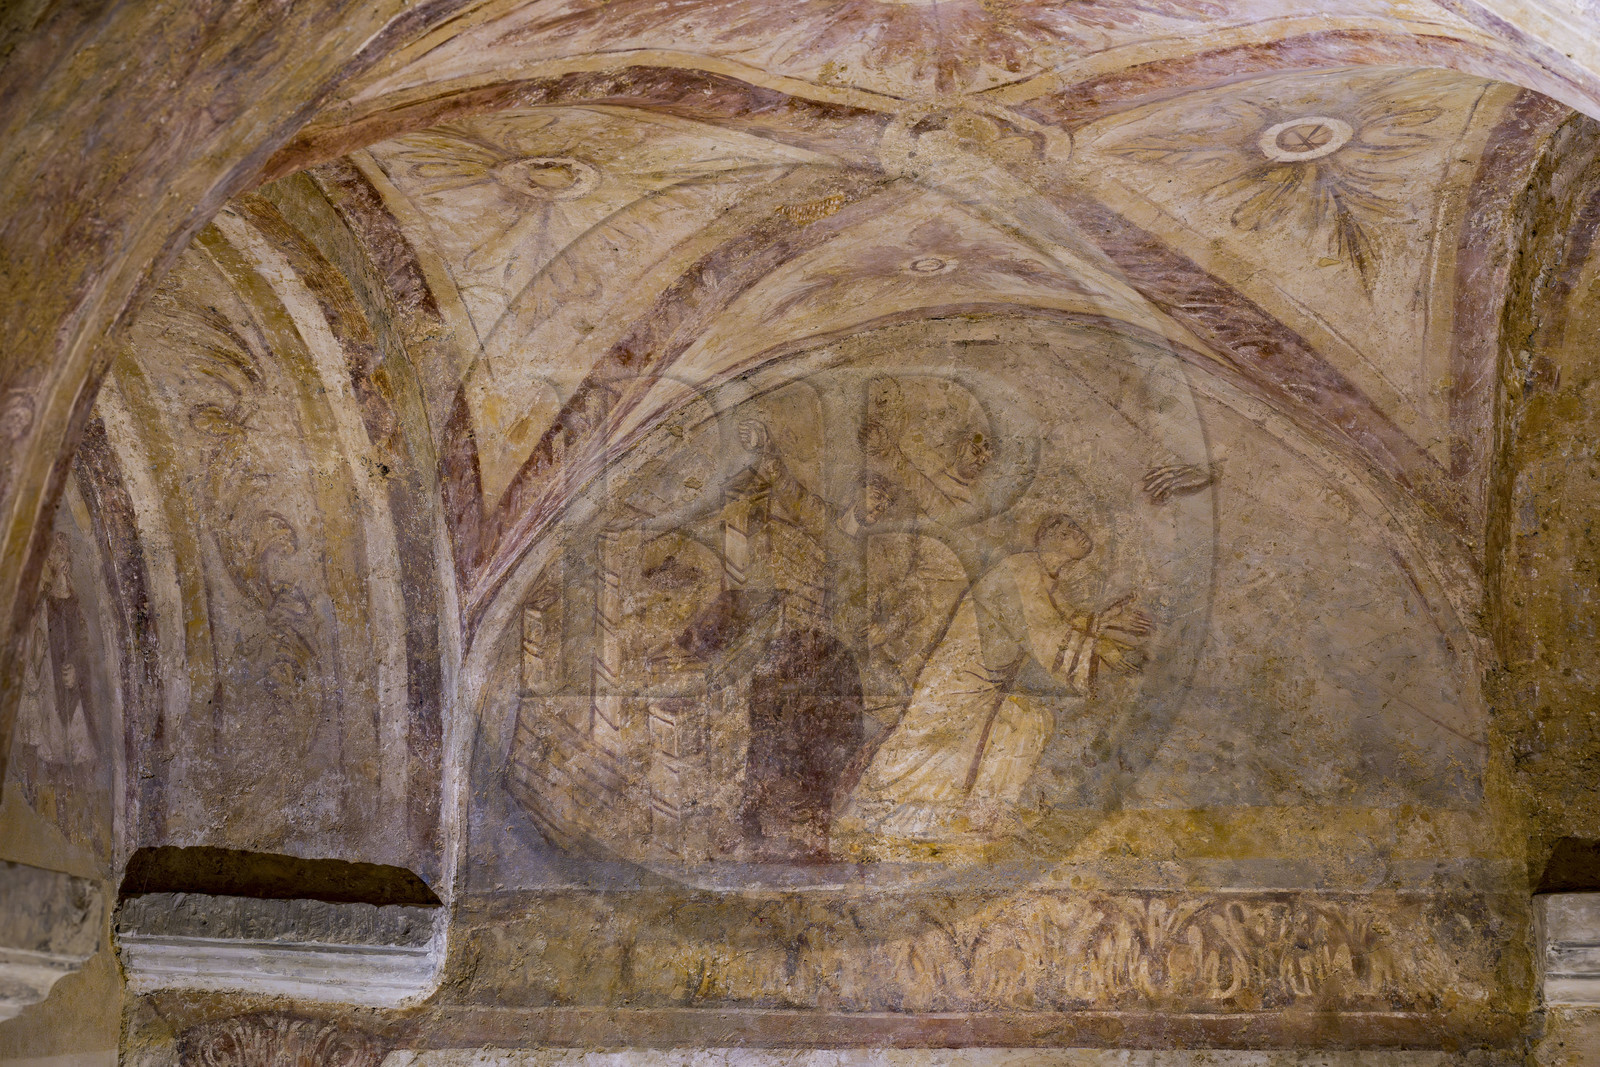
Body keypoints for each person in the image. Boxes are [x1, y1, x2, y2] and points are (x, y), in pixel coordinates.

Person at [841, 513, 1152, 848]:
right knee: (922, 743)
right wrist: (1101, 648)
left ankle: (989, 813)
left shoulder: (1046, 578)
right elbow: (1041, 631)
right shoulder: (1018, 570)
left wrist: (1105, 622)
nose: (1081, 534)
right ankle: (870, 810)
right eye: (1071, 529)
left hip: (989, 683)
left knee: (1030, 721)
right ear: (1051, 536)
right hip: (959, 676)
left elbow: (1063, 619)